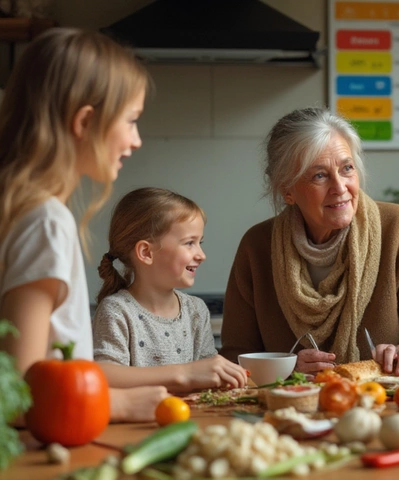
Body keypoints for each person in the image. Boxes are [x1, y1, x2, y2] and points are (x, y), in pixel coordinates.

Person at [0, 28, 168, 422]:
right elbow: (14, 391)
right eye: (131, 120)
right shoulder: (45, 221)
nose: (136, 139)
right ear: (85, 122)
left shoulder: (20, 209)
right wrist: (119, 404)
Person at [220, 107, 399, 376]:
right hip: (290, 408)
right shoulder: (257, 245)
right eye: (319, 175)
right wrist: (285, 368)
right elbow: (234, 356)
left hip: (380, 406)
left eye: (347, 168)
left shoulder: (396, 226)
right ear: (287, 190)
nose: (340, 187)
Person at [93, 187, 248, 391]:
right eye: (189, 243)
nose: (201, 255)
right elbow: (104, 375)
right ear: (146, 252)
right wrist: (184, 374)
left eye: (199, 242)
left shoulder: (196, 310)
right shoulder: (116, 311)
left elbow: (207, 374)